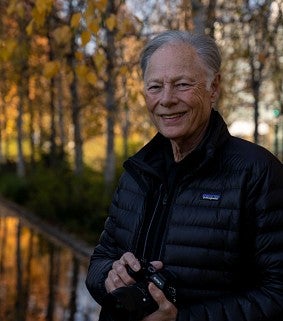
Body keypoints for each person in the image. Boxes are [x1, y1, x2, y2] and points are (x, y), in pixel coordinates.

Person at [86, 30, 283, 321]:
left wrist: (181, 319)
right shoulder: (137, 173)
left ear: (214, 87)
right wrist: (110, 277)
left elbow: (277, 293)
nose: (166, 99)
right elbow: (99, 261)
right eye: (155, 87)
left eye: (182, 85)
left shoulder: (256, 172)